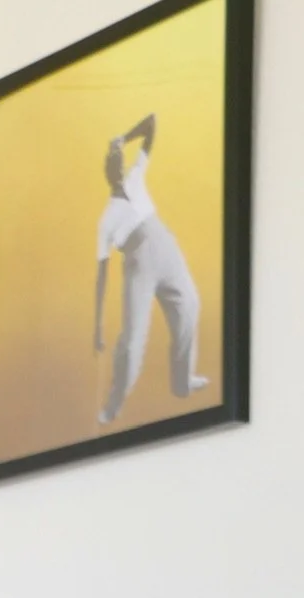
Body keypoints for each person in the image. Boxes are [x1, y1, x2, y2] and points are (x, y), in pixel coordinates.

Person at [94, 113, 209, 425]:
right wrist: (97, 326)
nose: (118, 167)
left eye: (119, 161)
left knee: (189, 305)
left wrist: (123, 138)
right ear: (107, 173)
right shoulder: (106, 220)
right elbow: (101, 276)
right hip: (138, 263)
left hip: (165, 246)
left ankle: (183, 382)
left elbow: (152, 124)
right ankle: (114, 405)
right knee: (132, 341)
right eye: (113, 164)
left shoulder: (136, 177)